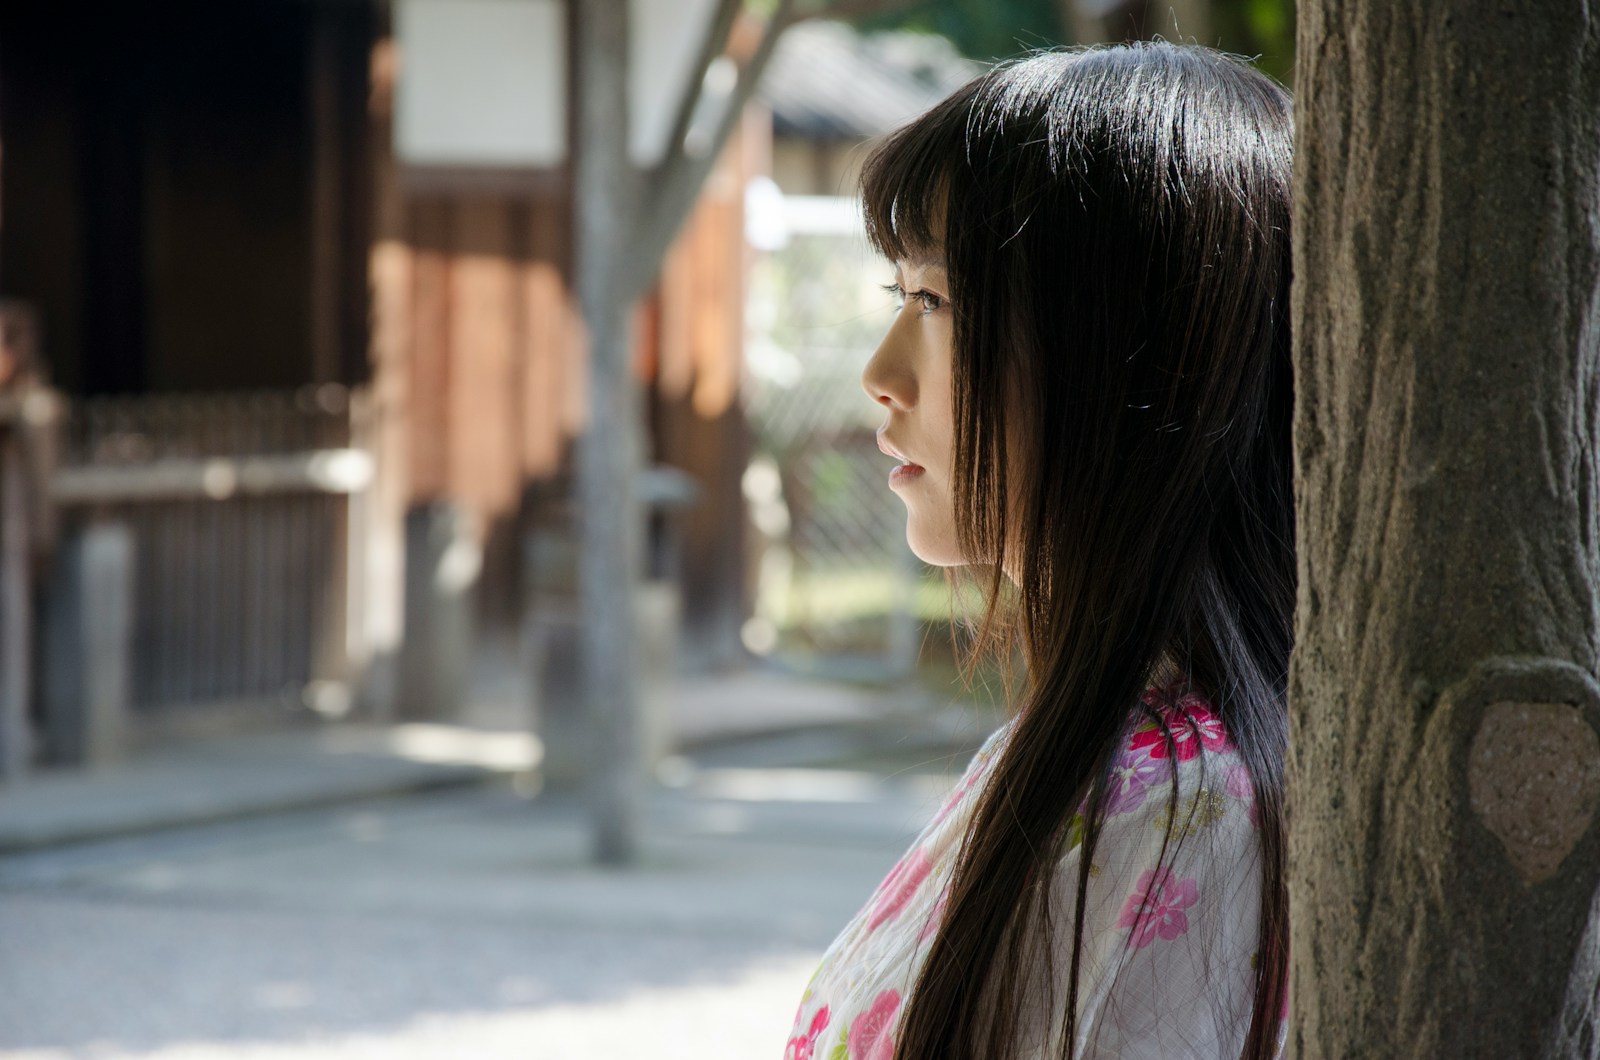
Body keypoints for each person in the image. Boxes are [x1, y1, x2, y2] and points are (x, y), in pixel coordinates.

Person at [783, 42, 1293, 1060]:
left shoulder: (1168, 810)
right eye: (901, 297)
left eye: (934, 302)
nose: (882, 374)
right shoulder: (1129, 762)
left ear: (1111, 357)